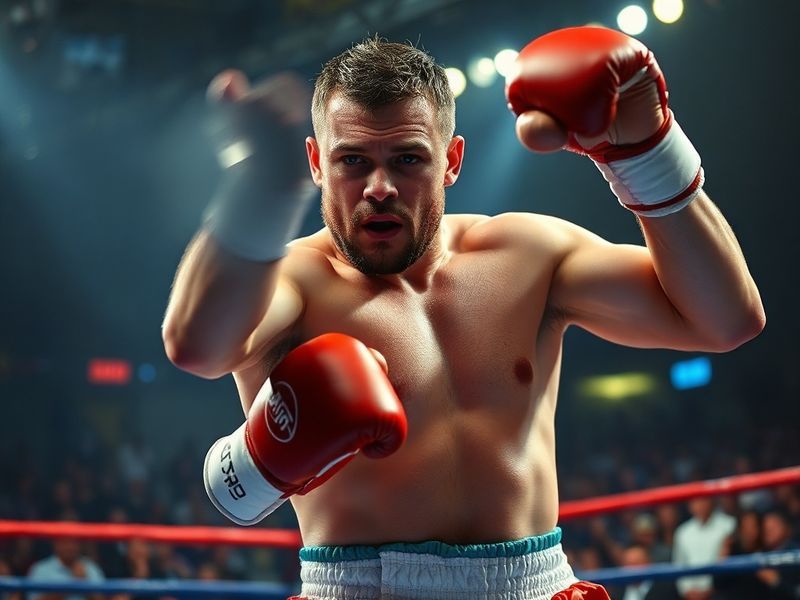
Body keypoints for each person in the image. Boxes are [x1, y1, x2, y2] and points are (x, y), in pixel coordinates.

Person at [162, 26, 765, 599]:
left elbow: (724, 320)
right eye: (352, 161)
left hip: (538, 584)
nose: (378, 187)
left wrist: (645, 152)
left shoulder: (528, 254)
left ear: (450, 160)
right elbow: (197, 346)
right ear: (316, 163)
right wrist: (261, 187)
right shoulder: (291, 280)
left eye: (406, 159)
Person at [672, 497, 736, 599]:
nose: (699, 505)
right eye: (695, 501)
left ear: (711, 500)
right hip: (690, 595)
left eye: (702, 499)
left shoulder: (729, 525)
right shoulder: (683, 532)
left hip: (720, 592)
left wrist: (710, 589)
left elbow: (729, 564)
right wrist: (687, 591)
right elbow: (679, 564)